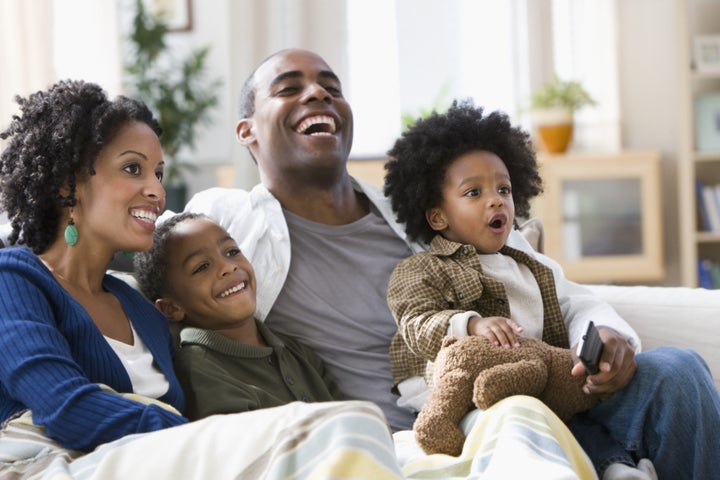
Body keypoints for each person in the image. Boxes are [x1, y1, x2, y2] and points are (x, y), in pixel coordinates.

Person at [185, 48, 720, 479]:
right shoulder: (229, 221)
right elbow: (164, 264)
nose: (318, 92)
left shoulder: (421, 213)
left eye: (330, 85)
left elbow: (553, 284)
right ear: (247, 131)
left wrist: (604, 334)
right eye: (289, 88)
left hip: (539, 382)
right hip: (437, 424)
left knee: (678, 371)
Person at [0, 79, 408, 479]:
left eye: (158, 174)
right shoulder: (16, 279)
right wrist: (198, 436)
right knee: (345, 427)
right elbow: (65, 408)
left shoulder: (140, 307)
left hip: (161, 462)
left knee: (356, 429)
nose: (156, 192)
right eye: (132, 169)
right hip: (51, 463)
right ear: (69, 183)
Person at [383, 100, 659, 479]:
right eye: (473, 193)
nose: (496, 199)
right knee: (519, 423)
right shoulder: (422, 269)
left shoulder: (530, 265)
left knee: (577, 424)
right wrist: (471, 324)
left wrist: (597, 343)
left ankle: (617, 469)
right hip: (463, 395)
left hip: (536, 380)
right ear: (437, 216)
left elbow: (577, 304)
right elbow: (417, 322)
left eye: (503, 188)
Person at [133, 212, 339, 419]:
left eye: (231, 251)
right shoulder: (199, 370)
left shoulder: (297, 353)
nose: (228, 267)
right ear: (171, 308)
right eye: (202, 267)